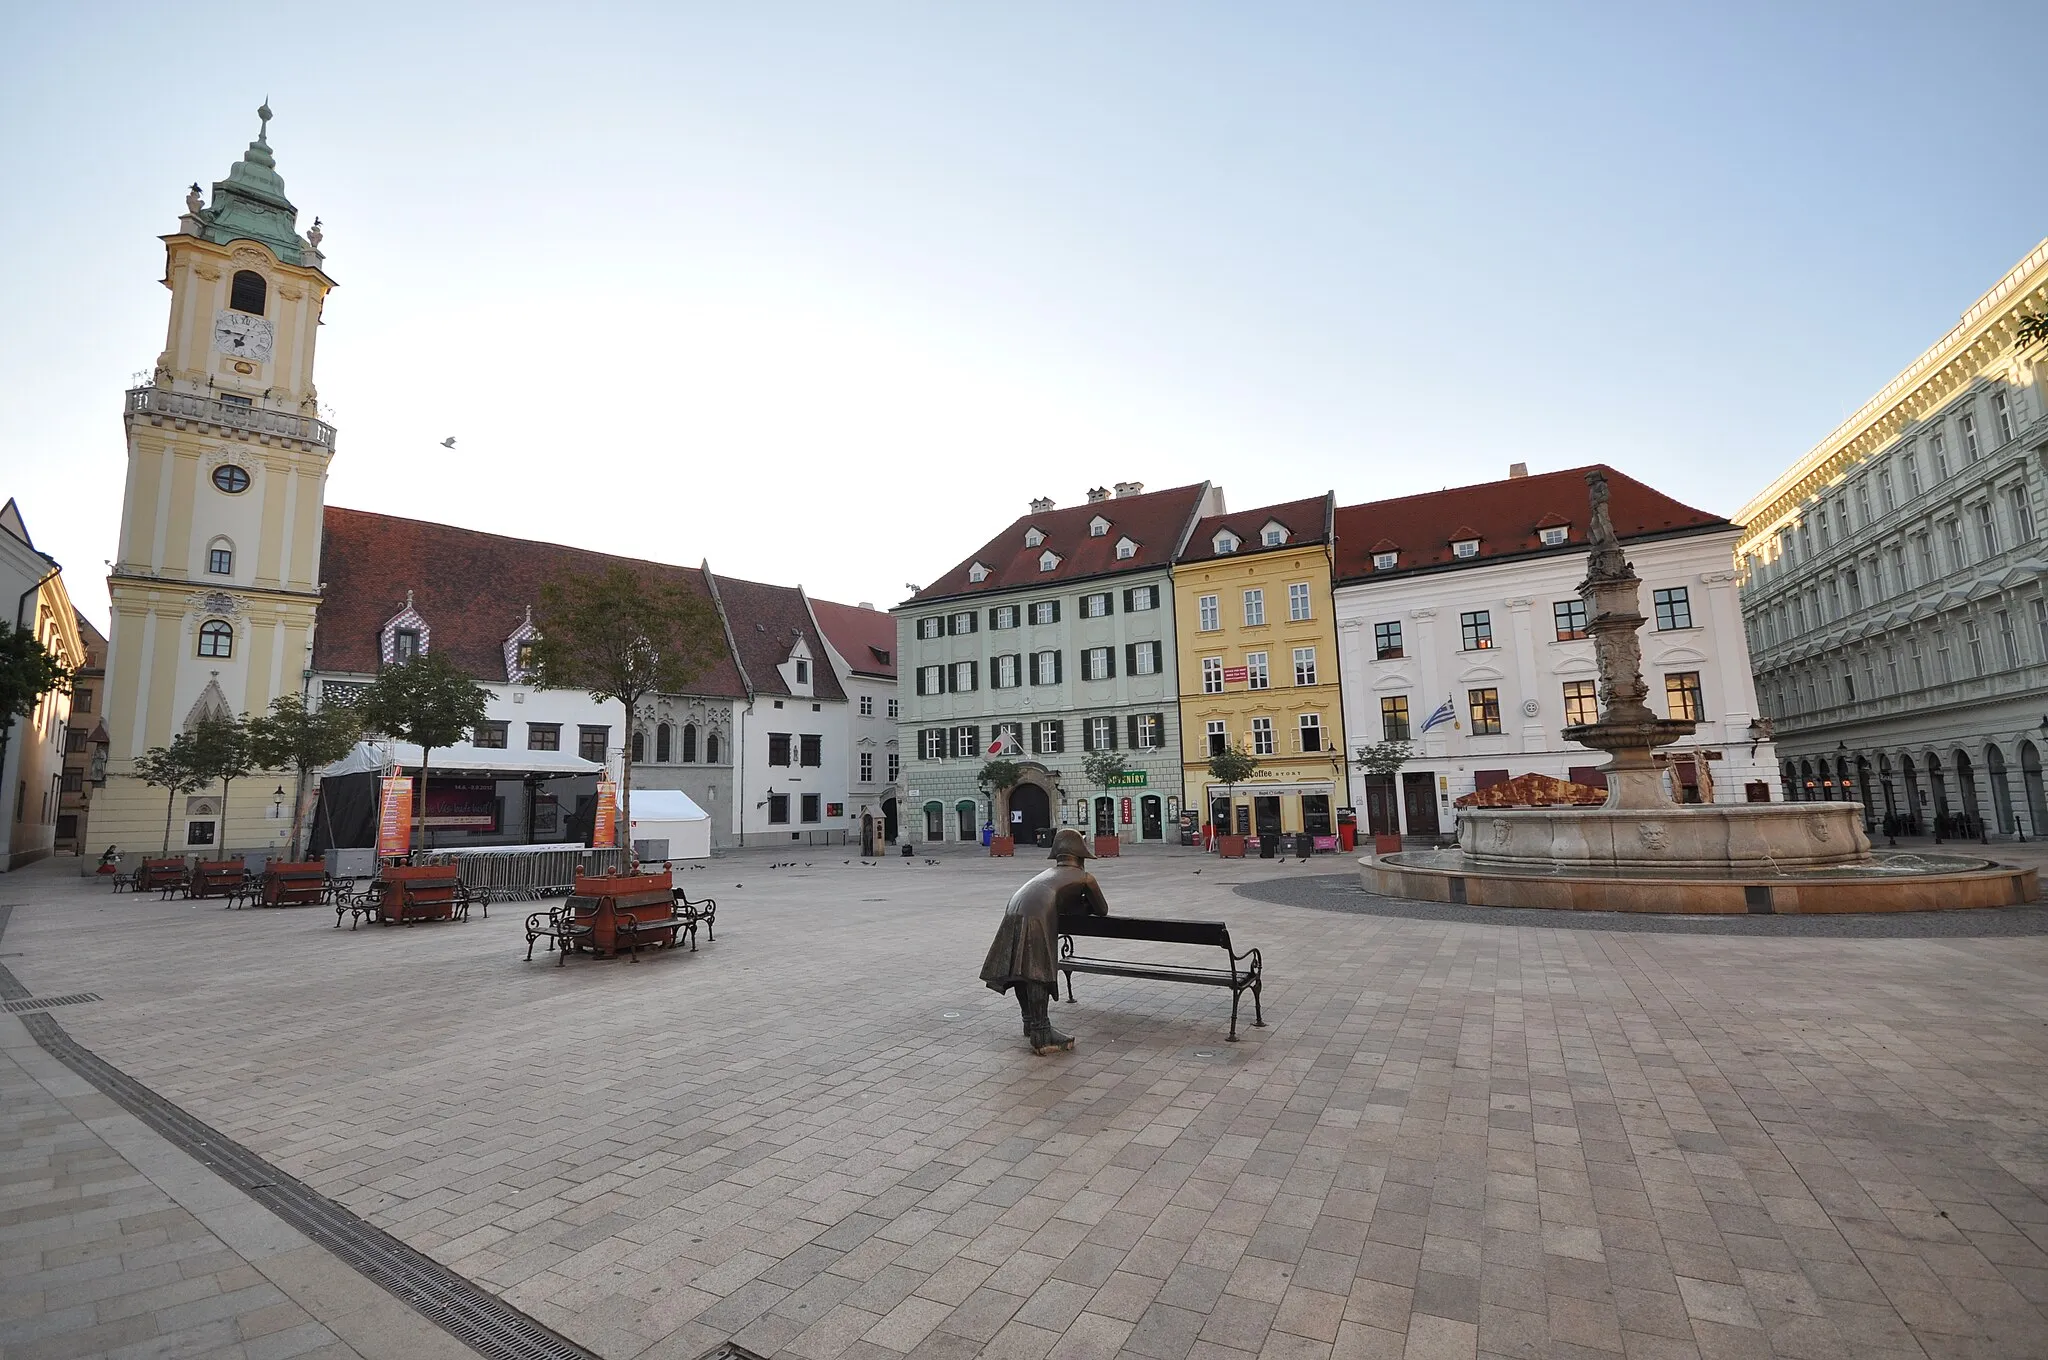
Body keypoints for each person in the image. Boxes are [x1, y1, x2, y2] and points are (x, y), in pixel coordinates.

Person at [980, 827, 1108, 1054]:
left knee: (1020, 969)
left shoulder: (1048, 874)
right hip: (1037, 917)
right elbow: (1102, 910)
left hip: (1014, 909)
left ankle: (1030, 1021)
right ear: (1081, 854)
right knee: (1036, 970)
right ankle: (1042, 1032)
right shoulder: (1084, 877)